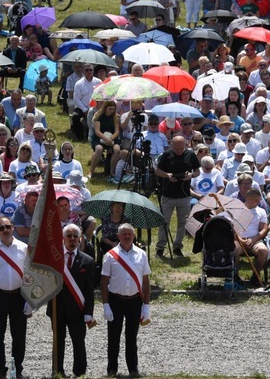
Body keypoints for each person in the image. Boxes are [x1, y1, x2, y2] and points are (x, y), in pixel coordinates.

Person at [0, 216, 30, 378]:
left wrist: (30, 299)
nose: (5, 231)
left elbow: (30, 275)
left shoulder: (24, 248)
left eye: (8, 227)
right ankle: (1, 368)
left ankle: (17, 368)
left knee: (19, 334)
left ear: (13, 227)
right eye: (1, 228)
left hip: (18, 295)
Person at [101, 223, 151, 378]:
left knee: (132, 337)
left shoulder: (141, 254)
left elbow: (146, 280)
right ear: (118, 236)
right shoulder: (110, 255)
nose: (127, 236)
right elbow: (104, 282)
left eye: (130, 234)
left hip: (135, 301)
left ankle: (133, 369)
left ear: (134, 235)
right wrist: (106, 305)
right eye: (124, 234)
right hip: (116, 300)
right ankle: (112, 369)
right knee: (113, 337)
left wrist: (147, 305)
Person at [48, 224, 95, 377]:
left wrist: (89, 312)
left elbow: (89, 291)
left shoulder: (87, 261)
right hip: (58, 309)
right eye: (69, 235)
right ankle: (57, 371)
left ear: (80, 238)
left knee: (78, 342)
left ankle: (79, 372)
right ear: (63, 238)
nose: (73, 239)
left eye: (76, 236)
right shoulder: (54, 258)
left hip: (78, 310)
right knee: (58, 342)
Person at [154, 136, 200, 257]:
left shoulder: (190, 155)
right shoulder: (166, 155)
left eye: (181, 148)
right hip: (168, 194)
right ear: (171, 146)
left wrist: (191, 175)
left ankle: (177, 247)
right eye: (176, 149)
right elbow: (157, 171)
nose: (179, 151)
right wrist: (167, 175)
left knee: (182, 223)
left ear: (185, 145)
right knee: (164, 222)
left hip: (184, 195)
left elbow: (197, 171)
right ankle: (160, 248)